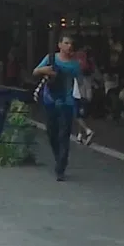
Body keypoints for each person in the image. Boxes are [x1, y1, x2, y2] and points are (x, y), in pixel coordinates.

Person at [33, 34, 85, 181]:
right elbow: (35, 71)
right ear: (60, 45)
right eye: (66, 43)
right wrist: (45, 71)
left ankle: (61, 166)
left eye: (71, 44)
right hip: (50, 101)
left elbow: (79, 83)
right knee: (52, 132)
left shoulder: (74, 65)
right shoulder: (50, 59)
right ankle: (58, 157)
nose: (69, 46)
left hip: (67, 103)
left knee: (64, 135)